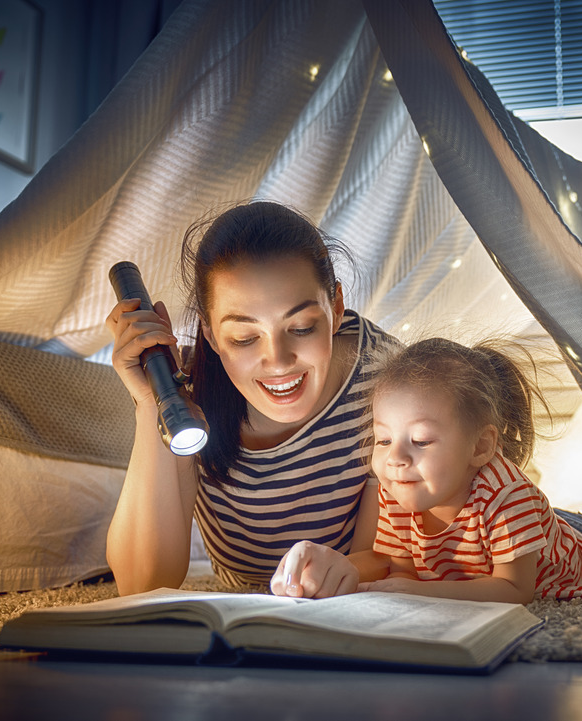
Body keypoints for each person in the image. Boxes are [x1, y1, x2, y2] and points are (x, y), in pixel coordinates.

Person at [104, 200, 398, 595]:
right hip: (243, 604)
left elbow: (388, 559)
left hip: (343, 595)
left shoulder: (387, 379)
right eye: (243, 337)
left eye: (302, 327)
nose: (278, 362)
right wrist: (148, 402)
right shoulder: (189, 395)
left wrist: (346, 571)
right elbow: (143, 584)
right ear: (209, 334)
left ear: (337, 307)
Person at [272, 337, 582, 603]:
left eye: (421, 441)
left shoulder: (508, 496)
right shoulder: (398, 488)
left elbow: (515, 590)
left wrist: (422, 594)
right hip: (521, 532)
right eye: (383, 439)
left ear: (479, 446)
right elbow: (404, 569)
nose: (395, 458)